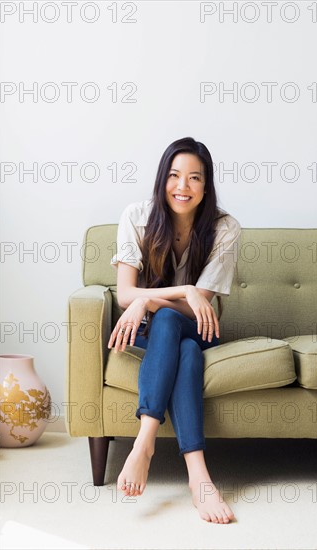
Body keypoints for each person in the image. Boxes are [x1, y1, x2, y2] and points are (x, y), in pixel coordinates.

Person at [107, 137, 241, 524]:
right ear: (162, 179)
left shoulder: (225, 228)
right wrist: (180, 290)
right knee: (184, 350)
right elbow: (125, 294)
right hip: (157, 331)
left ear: (206, 185)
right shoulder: (136, 216)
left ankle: (144, 441)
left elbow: (194, 308)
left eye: (194, 178)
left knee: (172, 322)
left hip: (201, 327)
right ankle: (199, 477)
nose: (183, 187)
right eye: (174, 176)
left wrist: (147, 301)